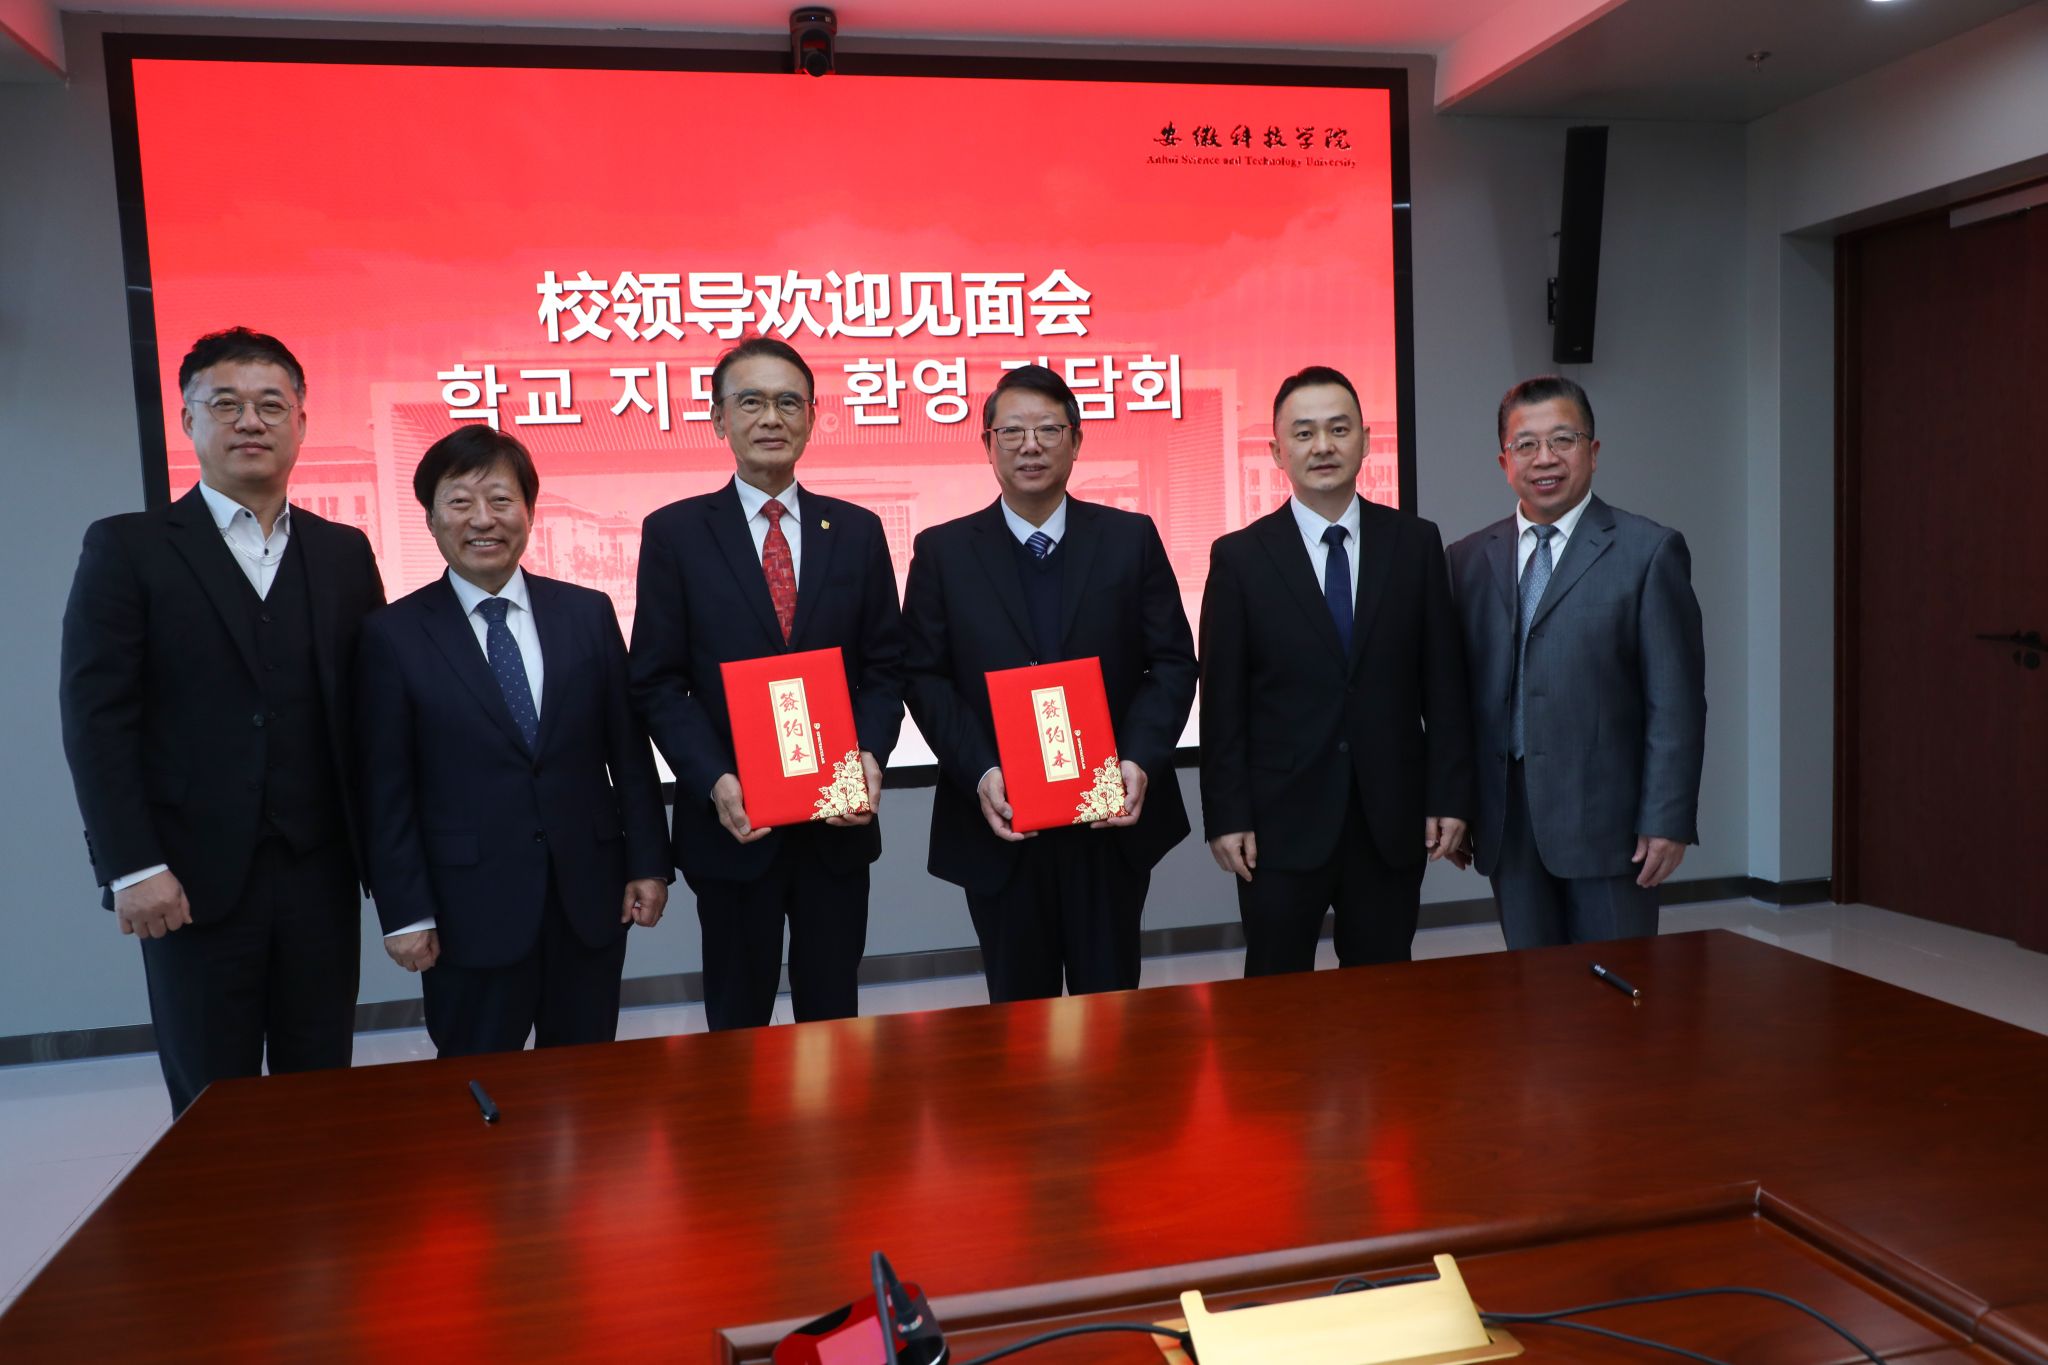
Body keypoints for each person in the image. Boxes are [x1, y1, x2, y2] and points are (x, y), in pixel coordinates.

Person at [59, 327, 385, 1115]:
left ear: (300, 421)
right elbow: (97, 717)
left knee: (321, 1093)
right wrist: (132, 866)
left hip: (320, 874)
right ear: (187, 420)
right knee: (212, 1106)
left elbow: (372, 714)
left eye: (271, 404)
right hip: (187, 881)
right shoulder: (128, 547)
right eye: (226, 403)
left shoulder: (343, 552)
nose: (250, 421)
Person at [355, 426, 670, 1056]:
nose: (483, 519)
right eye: (460, 502)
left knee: (588, 1080)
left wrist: (648, 863)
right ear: (431, 518)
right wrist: (406, 911)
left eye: (501, 500)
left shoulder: (587, 613)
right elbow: (385, 788)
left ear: (529, 511)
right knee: (477, 1087)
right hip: (467, 910)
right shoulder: (392, 635)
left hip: (588, 899)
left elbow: (629, 754)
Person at [630, 338, 904, 1030]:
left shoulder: (858, 531)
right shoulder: (675, 534)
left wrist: (870, 755)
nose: (771, 417)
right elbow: (658, 680)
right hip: (733, 826)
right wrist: (714, 780)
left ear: (812, 417)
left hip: (836, 829)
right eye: (750, 401)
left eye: (788, 402)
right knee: (737, 1022)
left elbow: (884, 668)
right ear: (719, 419)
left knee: (834, 1017)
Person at [903, 364, 1197, 1002]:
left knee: (1112, 1009)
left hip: (1108, 824)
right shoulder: (943, 552)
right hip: (1000, 821)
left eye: (1047, 430)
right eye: (1011, 432)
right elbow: (923, 677)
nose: (1029, 446)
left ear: (1076, 440)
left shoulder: (1130, 539)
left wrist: (1138, 760)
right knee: (1018, 1017)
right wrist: (981, 770)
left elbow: (1173, 662)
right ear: (987, 445)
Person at [1200, 366, 1473, 975]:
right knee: (1276, 993)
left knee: (1384, 989)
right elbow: (1221, 703)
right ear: (1277, 451)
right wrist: (1227, 814)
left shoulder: (1415, 543)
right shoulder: (1239, 558)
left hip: (1390, 816)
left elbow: (1444, 685)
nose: (1322, 446)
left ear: (1366, 440)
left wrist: (1450, 795)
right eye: (1303, 433)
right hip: (1278, 822)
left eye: (1338, 429)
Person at [1445, 375, 1707, 948]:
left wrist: (1667, 818)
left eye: (1563, 439)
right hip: (1507, 822)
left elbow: (1676, 702)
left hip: (1612, 826)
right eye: (1526, 444)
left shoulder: (1648, 551)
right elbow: (1456, 698)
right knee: (1530, 988)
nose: (1545, 458)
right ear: (1504, 461)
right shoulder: (1466, 559)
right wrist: (1457, 802)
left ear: (1593, 451)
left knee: (1613, 989)